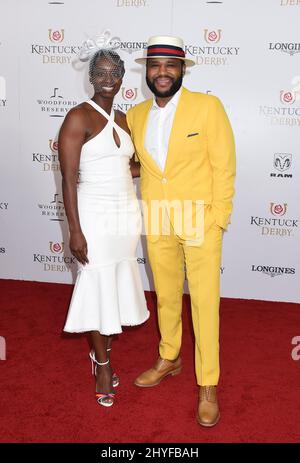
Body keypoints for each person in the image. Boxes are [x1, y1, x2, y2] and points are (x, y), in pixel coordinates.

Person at [126, 35, 236, 426]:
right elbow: (141, 164)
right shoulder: (136, 115)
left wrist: (218, 217)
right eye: (155, 65)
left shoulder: (207, 107)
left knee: (205, 303)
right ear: (146, 71)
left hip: (200, 219)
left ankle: (208, 383)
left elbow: (224, 166)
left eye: (170, 66)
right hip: (156, 218)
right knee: (167, 295)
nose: (162, 72)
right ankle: (169, 357)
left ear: (182, 70)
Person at [58, 46, 149, 408]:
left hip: (124, 214)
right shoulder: (78, 117)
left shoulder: (126, 119)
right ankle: (102, 365)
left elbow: (130, 167)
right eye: (101, 73)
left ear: (123, 78)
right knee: (97, 284)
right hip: (92, 214)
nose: (108, 80)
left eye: (115, 73)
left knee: (113, 283)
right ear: (90, 77)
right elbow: (67, 179)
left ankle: (103, 352)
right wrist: (74, 231)